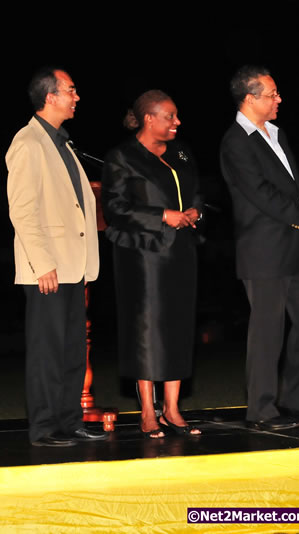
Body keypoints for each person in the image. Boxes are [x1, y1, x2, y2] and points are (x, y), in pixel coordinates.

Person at [220, 65, 299, 431]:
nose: (279, 99)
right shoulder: (235, 142)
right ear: (250, 98)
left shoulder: (275, 133)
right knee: (267, 331)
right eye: (272, 94)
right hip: (264, 251)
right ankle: (261, 410)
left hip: (296, 247)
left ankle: (296, 404)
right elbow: (262, 196)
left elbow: (293, 184)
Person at [6, 67, 107, 446]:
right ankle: (45, 427)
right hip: (47, 268)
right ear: (50, 97)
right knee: (47, 351)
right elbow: (23, 209)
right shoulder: (28, 143)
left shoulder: (62, 143)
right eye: (71, 90)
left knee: (71, 351)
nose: (76, 96)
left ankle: (69, 421)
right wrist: (41, 262)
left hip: (71, 265)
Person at [102, 90, 202, 438]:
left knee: (178, 326)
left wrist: (194, 211)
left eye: (176, 116)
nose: (177, 122)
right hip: (142, 256)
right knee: (145, 330)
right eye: (170, 116)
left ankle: (172, 409)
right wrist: (162, 215)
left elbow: (197, 192)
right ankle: (147, 411)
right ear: (149, 119)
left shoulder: (181, 152)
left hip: (180, 253)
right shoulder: (123, 156)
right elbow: (115, 208)